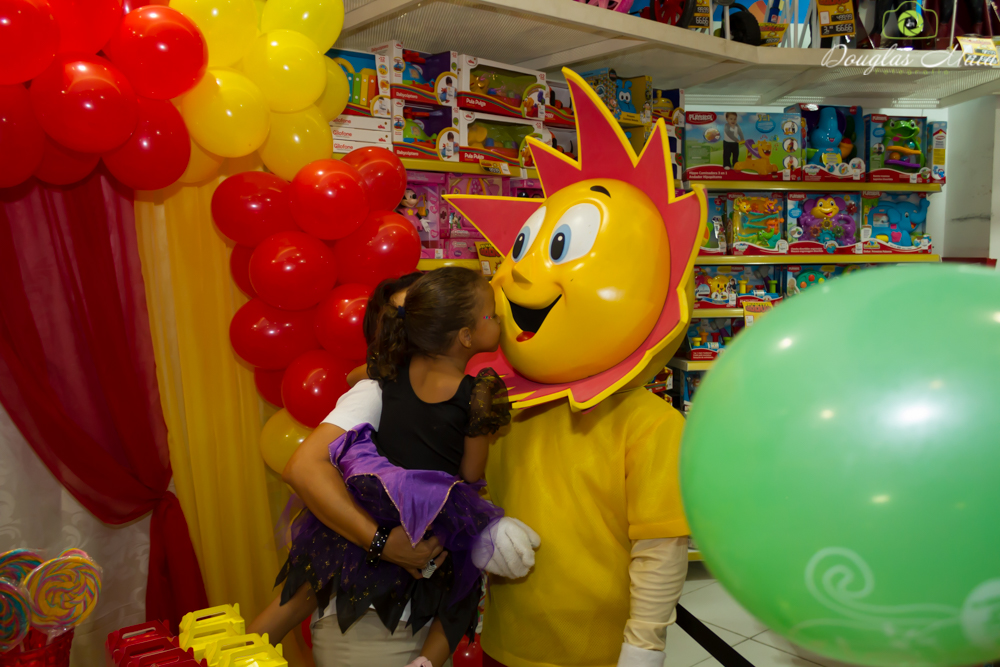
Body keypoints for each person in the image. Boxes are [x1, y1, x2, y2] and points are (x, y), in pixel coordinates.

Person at [250, 267, 511, 667]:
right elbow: (303, 468)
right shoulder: (378, 391)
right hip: (375, 620)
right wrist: (382, 543)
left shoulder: (427, 388)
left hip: (410, 600)